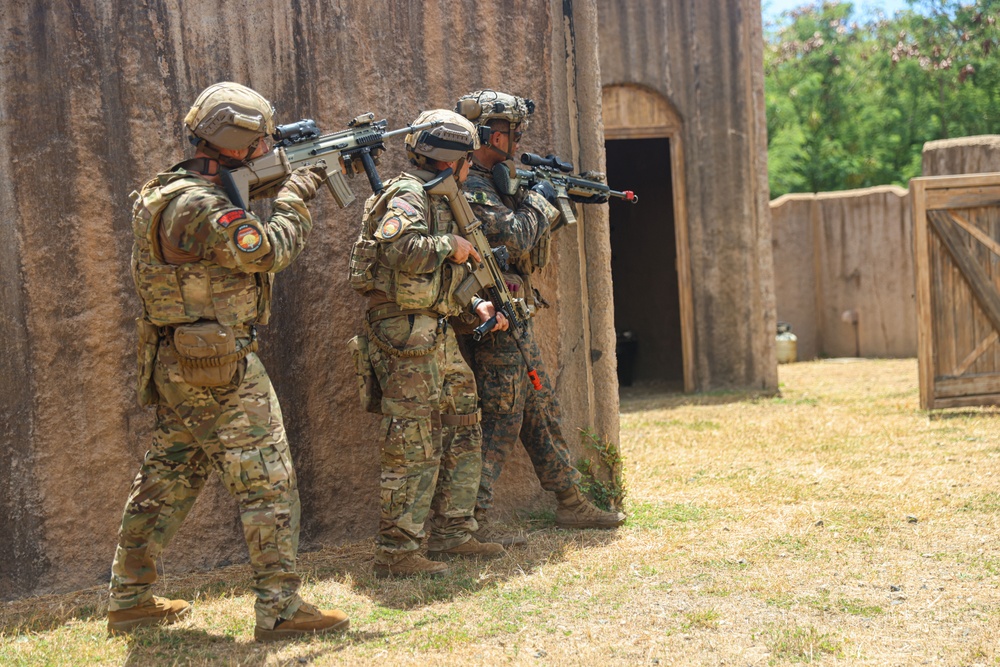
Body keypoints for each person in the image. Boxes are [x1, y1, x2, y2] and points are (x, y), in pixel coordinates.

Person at [107, 82, 348, 641]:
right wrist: (294, 197)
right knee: (268, 481)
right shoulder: (198, 203)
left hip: (181, 362)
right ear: (235, 143)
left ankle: (130, 598)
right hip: (218, 365)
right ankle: (281, 608)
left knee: (168, 477)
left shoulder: (169, 190)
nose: (266, 145)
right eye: (259, 138)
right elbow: (264, 251)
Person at [454, 90, 626, 545]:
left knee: (539, 407)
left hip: (514, 312)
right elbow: (513, 240)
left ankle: (570, 500)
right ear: (489, 133)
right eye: (511, 130)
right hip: (490, 315)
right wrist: (541, 201)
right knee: (502, 416)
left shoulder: (495, 178)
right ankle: (471, 522)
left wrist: (544, 192)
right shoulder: (469, 185)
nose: (518, 138)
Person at [348, 109, 509, 578]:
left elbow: (437, 277)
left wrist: (473, 305)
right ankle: (396, 553)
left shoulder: (436, 196)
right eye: (467, 158)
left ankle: (454, 532)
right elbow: (399, 249)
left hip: (434, 329)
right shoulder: (407, 194)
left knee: (464, 418)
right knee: (411, 440)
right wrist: (449, 246)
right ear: (452, 160)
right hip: (403, 333)